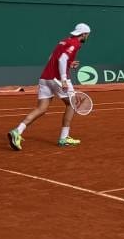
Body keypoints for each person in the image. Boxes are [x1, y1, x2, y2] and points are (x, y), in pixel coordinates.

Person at [8, 23, 91, 151]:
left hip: (45, 78)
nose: (87, 37)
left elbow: (53, 58)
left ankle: (17, 131)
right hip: (58, 79)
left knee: (41, 108)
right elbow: (62, 60)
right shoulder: (75, 44)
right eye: (87, 35)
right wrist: (63, 79)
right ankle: (64, 137)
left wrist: (70, 63)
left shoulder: (63, 41)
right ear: (84, 34)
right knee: (72, 104)